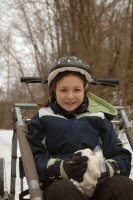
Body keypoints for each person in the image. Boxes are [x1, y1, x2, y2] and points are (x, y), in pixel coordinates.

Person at [27, 56, 133, 200]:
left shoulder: (99, 118)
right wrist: (62, 168)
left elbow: (121, 156)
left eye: (76, 90)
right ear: (54, 90)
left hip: (98, 186)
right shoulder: (43, 118)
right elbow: (32, 161)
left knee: (124, 185)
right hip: (60, 185)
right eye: (63, 90)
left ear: (85, 89)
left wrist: (104, 168)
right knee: (63, 191)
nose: (70, 96)